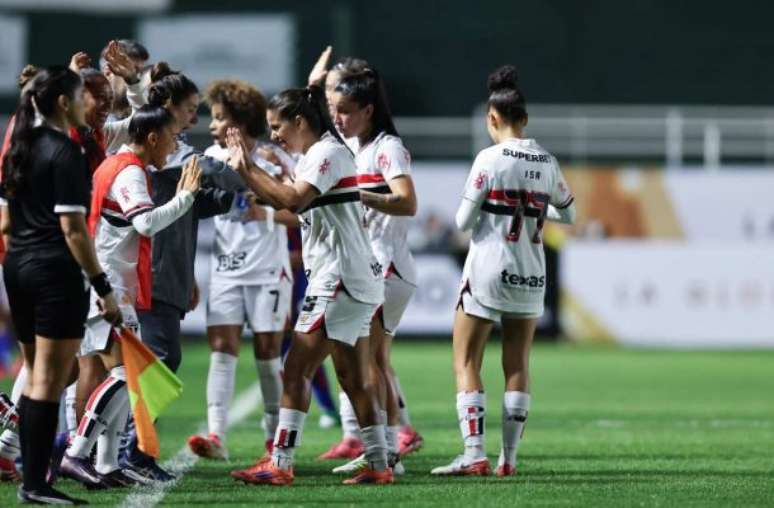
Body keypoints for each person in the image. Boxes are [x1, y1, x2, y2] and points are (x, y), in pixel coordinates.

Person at [227, 85, 391, 486]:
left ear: (300, 121)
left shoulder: (326, 154)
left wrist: (247, 167)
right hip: (350, 276)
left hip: (339, 278)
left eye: (277, 126)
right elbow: (290, 205)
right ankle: (380, 464)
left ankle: (280, 464)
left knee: (295, 367)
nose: (274, 135)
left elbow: (292, 200)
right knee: (353, 378)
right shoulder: (319, 155)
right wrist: (250, 178)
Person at [431, 65, 576, 477]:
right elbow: (570, 214)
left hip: (489, 267)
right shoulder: (546, 161)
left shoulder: (489, 158)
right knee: (517, 363)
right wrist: (532, 208)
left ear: (492, 119)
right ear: (525, 119)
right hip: (531, 271)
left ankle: (473, 452)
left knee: (466, 360)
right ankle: (508, 460)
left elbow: (461, 221)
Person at [106, 62, 239, 481]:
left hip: (171, 270)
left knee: (155, 363)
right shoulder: (158, 155)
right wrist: (238, 167)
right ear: (166, 107)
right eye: (189, 109)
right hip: (152, 271)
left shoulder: (172, 155)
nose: (194, 118)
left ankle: (120, 451)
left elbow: (193, 202)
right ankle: (131, 454)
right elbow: (195, 183)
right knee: (157, 363)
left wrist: (227, 194)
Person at [59, 105, 201, 489]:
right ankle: (76, 453)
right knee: (123, 376)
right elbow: (145, 221)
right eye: (172, 138)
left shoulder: (115, 163)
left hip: (112, 284)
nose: (174, 147)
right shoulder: (130, 171)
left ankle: (106, 464)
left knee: (124, 376)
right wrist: (186, 197)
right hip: (109, 288)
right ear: (152, 137)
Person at [1, 65, 122, 504]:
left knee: (37, 374)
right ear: (61, 103)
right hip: (54, 272)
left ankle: (30, 477)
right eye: (79, 96)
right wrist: (102, 285)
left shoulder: (19, 145)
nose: (86, 105)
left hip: (17, 268)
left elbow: (6, 222)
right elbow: (74, 229)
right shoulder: (63, 151)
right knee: (51, 381)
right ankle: (35, 484)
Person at [187, 79, 296, 461]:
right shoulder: (208, 158)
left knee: (267, 354)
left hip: (268, 270)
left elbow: (302, 212)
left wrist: (263, 211)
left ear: (239, 122)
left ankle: (272, 437)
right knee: (221, 349)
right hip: (225, 269)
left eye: (219, 118)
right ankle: (215, 435)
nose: (212, 125)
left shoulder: (273, 158)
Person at [327, 68, 423, 477]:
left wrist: (358, 194)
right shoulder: (350, 146)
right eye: (334, 110)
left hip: (387, 265)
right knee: (374, 361)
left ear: (369, 110)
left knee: (370, 363)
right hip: (368, 265)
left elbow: (407, 202)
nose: (339, 118)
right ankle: (384, 453)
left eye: (346, 111)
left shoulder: (388, 148)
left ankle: (386, 454)